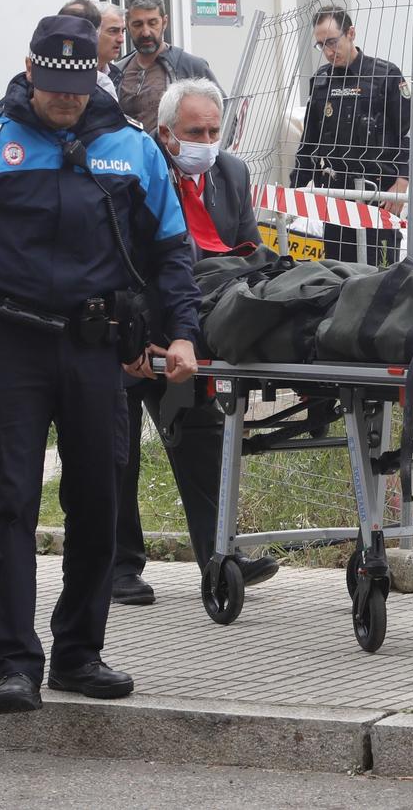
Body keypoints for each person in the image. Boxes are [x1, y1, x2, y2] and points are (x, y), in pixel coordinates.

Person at [0, 13, 203, 715]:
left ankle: (79, 652)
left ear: (96, 75)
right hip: (9, 346)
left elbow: (172, 250)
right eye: (52, 84)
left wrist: (183, 333)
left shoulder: (131, 148)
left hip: (96, 348)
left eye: (77, 85)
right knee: (10, 501)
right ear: (29, 69)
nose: (64, 99)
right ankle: (14, 663)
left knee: (98, 501)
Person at [109, 76, 279, 606]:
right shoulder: (139, 173)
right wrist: (131, 338)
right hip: (135, 332)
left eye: (213, 129)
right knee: (119, 453)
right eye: (194, 131)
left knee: (202, 441)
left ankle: (218, 552)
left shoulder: (231, 173)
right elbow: (125, 261)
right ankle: (119, 566)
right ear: (166, 133)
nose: (207, 141)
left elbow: (245, 254)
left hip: (194, 337)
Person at [289, 5, 411, 265]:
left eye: (332, 42)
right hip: (336, 193)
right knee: (339, 273)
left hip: (379, 192)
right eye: (321, 45)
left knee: (381, 273)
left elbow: (406, 133)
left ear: (351, 33)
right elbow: (310, 141)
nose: (329, 52)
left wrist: (402, 181)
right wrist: (295, 189)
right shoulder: (322, 81)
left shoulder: (385, 75)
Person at [115, 0, 216, 128]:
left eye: (152, 23)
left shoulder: (190, 67)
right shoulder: (117, 72)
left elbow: (227, 119)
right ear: (128, 26)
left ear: (165, 22)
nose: (146, 32)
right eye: (137, 24)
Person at [58, 0, 121, 99]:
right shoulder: (46, 68)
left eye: (122, 31)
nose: (121, 39)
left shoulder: (114, 76)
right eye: (113, 31)